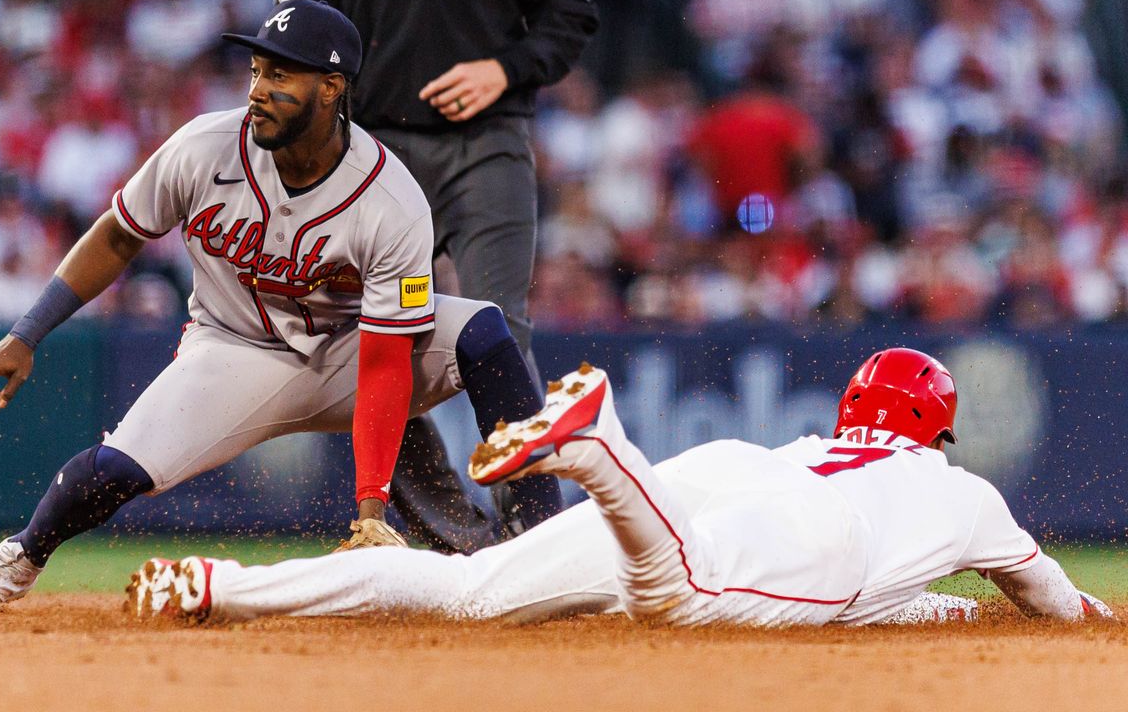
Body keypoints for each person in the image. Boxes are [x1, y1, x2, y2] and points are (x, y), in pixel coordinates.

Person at [0, 0, 550, 614]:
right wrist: (27, 333)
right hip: (232, 349)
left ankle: (543, 544)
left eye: (280, 76)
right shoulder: (205, 147)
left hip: (348, 354)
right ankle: (18, 557)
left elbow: (387, 360)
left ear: (332, 88)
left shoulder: (389, 198)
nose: (258, 90)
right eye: (256, 70)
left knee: (482, 331)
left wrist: (370, 509)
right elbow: (120, 234)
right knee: (118, 467)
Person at [127, 350, 1112, 626]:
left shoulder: (822, 438)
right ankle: (600, 444)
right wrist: (1088, 609)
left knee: (467, 590)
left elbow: (908, 602)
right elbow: (1052, 599)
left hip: (738, 469)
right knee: (680, 597)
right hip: (817, 534)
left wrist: (936, 610)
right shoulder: (963, 489)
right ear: (936, 429)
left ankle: (222, 584)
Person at [276, 0, 600, 548]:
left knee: (501, 327)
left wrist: (506, 69)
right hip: (371, 150)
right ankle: (455, 534)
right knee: (365, 334)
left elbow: (571, 15)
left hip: (487, 142)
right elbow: (297, 26)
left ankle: (536, 533)